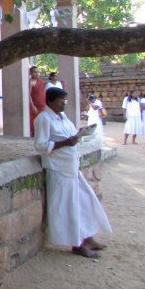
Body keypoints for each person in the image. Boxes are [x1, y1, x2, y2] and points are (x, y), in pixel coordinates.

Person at [34, 87, 111, 258]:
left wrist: (79, 136)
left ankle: (87, 236)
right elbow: (40, 145)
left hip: (70, 167)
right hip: (58, 168)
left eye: (65, 101)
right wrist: (65, 143)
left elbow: (70, 136)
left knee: (84, 201)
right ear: (51, 101)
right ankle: (76, 243)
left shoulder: (63, 118)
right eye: (61, 101)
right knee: (68, 207)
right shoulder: (43, 119)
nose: (64, 104)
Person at [29, 66, 46, 137]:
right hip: (34, 106)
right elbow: (29, 95)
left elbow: (44, 93)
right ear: (31, 73)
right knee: (34, 124)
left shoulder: (41, 82)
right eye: (35, 72)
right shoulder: (30, 82)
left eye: (38, 72)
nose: (37, 74)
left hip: (42, 105)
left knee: (42, 122)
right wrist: (32, 106)